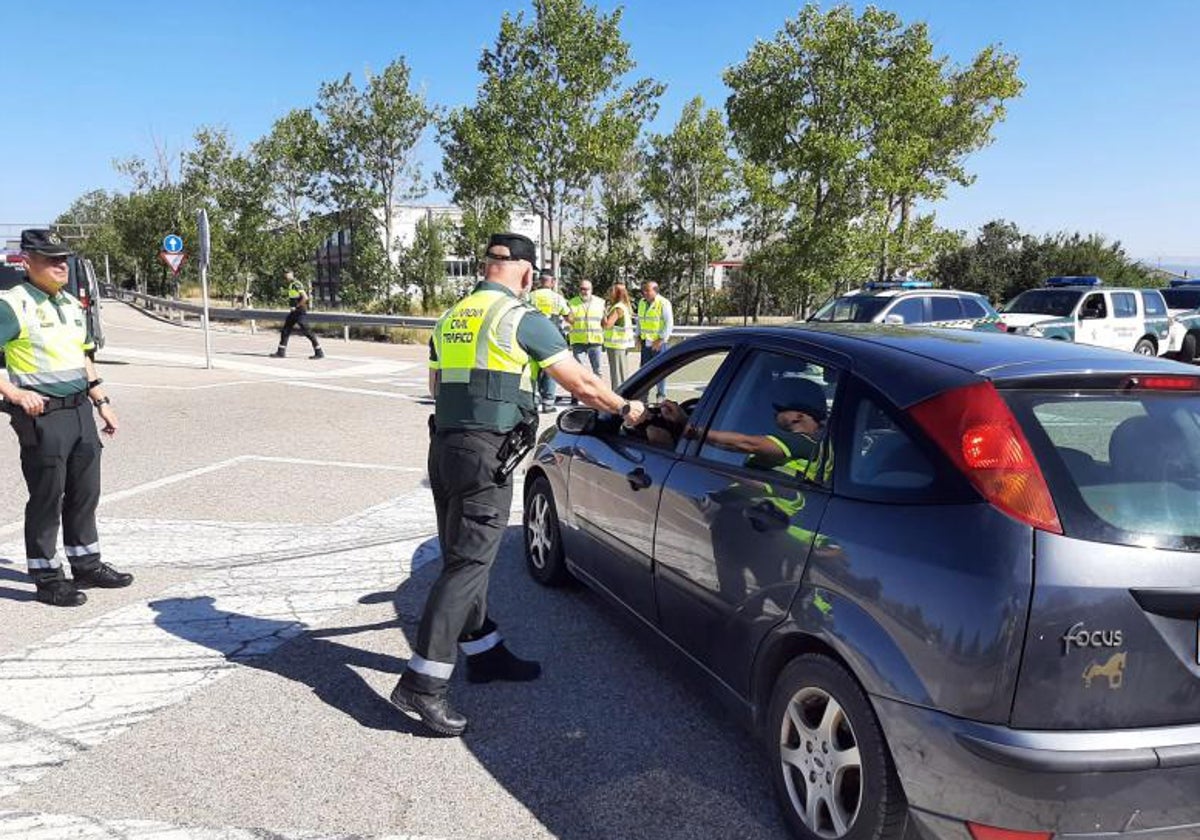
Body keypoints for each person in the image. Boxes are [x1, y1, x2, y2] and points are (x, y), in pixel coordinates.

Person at [390, 232, 645, 736]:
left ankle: (484, 652)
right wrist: (627, 409)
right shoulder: (521, 318)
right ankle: (423, 682)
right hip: (487, 452)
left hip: (444, 447)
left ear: (486, 267)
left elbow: (436, 387)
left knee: (464, 556)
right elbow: (583, 385)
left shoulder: (452, 316)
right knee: (467, 565)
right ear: (527, 274)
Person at [0, 230, 133, 607]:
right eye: (52, 259)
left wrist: (102, 400)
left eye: (65, 259)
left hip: (79, 411)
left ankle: (86, 563)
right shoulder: (13, 304)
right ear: (27, 260)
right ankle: (46, 577)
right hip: (42, 417)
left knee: (84, 493)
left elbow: (84, 358)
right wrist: (13, 392)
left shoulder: (73, 304)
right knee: (47, 497)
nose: (62, 265)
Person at [527, 271, 571, 412]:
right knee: (550, 370)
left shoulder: (531, 296)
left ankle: (533, 401)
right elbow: (569, 317)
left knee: (532, 370)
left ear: (540, 281)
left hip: (532, 335)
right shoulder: (558, 298)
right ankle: (548, 403)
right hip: (552, 337)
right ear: (552, 282)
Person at [270, 271, 324, 359]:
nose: (286, 276)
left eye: (288, 274)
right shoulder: (291, 284)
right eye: (285, 274)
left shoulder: (296, 284)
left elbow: (305, 297)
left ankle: (319, 352)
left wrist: (297, 306)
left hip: (299, 312)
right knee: (285, 331)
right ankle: (281, 352)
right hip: (294, 312)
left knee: (307, 331)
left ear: (292, 274)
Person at [636, 281, 673, 400]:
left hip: (658, 344)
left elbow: (669, 323)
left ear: (655, 291)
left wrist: (661, 339)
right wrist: (637, 336)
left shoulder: (663, 303)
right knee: (644, 370)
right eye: (643, 291)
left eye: (647, 290)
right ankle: (643, 396)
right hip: (646, 342)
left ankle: (661, 396)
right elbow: (639, 321)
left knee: (660, 370)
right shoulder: (642, 303)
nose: (644, 293)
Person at [567, 280, 606, 388]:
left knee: (597, 370)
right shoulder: (572, 302)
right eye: (582, 289)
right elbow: (569, 320)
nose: (584, 291)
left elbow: (604, 322)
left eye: (586, 289)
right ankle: (576, 395)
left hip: (595, 341)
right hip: (578, 341)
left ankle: (599, 393)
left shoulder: (600, 302)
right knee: (577, 371)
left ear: (591, 289)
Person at [601, 279, 634, 389]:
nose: (609, 294)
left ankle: (618, 395)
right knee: (622, 372)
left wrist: (604, 314)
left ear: (617, 294)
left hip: (616, 345)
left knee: (617, 375)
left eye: (611, 291)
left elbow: (607, 325)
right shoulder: (624, 306)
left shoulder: (617, 308)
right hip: (621, 345)